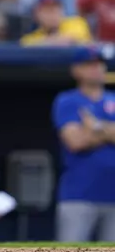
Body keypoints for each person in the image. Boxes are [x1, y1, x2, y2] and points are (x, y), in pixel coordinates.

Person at [52, 47, 115, 242]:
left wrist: (95, 126)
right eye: (89, 65)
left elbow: (85, 136)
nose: (96, 69)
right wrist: (110, 131)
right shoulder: (68, 100)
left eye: (99, 64)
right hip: (78, 195)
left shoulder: (113, 99)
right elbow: (75, 142)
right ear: (76, 70)